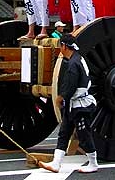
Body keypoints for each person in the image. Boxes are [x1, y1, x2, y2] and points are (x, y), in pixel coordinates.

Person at [39, 34, 99, 173]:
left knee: (84, 134)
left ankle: (93, 163)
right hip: (72, 105)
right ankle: (56, 163)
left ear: (64, 46)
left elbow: (70, 86)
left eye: (61, 45)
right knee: (64, 132)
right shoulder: (78, 58)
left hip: (80, 105)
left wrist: (60, 97)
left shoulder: (73, 64)